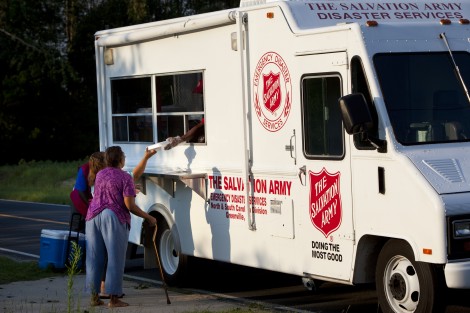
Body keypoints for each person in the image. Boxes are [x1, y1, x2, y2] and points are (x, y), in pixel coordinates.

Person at [85, 146, 157, 308]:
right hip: (113, 216)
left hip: (93, 216)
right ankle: (114, 299)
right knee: (115, 258)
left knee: (94, 257)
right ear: (121, 160)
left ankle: (94, 297)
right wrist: (149, 217)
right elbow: (129, 206)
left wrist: (145, 158)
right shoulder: (125, 178)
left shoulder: (100, 174)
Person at [69, 152, 106, 231]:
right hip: (79, 201)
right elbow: (80, 191)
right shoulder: (84, 169)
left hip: (91, 202)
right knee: (76, 228)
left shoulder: (103, 170)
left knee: (89, 228)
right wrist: (90, 205)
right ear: (99, 163)